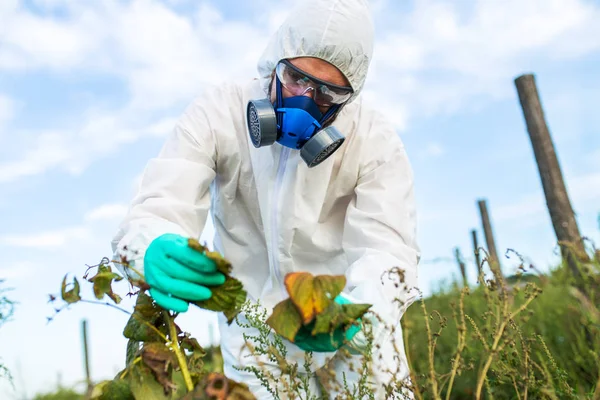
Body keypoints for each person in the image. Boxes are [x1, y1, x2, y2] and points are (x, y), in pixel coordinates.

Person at [111, 0, 420, 397]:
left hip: (349, 330)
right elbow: (160, 200)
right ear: (275, 61)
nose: (304, 99)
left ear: (350, 97)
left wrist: (362, 310)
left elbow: (390, 249)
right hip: (254, 334)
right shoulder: (218, 113)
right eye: (294, 77)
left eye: (328, 93)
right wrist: (150, 244)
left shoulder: (375, 141)